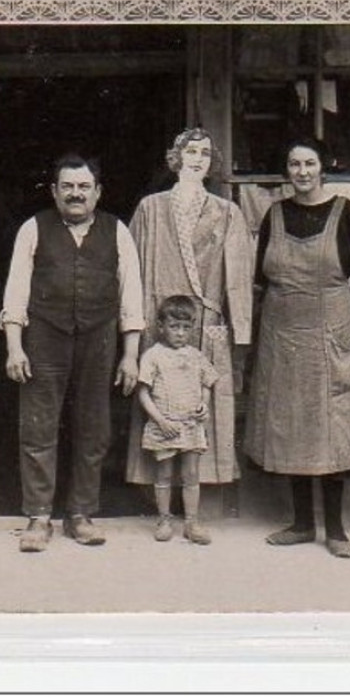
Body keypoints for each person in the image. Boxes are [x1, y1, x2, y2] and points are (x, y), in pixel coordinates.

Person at [242, 137, 350, 558]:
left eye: (309, 163)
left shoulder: (346, 212)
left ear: (324, 167)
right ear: (287, 170)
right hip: (282, 337)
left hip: (329, 336)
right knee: (291, 425)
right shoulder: (275, 214)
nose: (302, 171)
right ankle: (302, 524)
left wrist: (334, 316)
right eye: (294, 163)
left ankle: (335, 530)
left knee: (332, 428)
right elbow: (261, 279)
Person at [2, 155, 144, 552]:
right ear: (54, 191)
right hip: (44, 337)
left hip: (99, 340)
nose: (76, 194)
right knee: (38, 427)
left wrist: (130, 354)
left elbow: (131, 294)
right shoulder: (34, 229)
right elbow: (16, 291)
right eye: (68, 187)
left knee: (94, 427)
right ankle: (39, 516)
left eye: (84, 187)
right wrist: (14, 347)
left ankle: (81, 514)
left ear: (97, 192)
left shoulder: (118, 232)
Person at [125, 128, 253, 516]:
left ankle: (196, 507)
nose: (198, 159)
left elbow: (240, 275)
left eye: (205, 154)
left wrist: (239, 328)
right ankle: (161, 505)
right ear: (175, 157)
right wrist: (132, 321)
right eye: (190, 151)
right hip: (160, 323)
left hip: (204, 322)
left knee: (200, 407)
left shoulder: (226, 211)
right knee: (159, 399)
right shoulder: (150, 208)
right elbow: (129, 268)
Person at [134, 295, 219, 544]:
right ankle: (164, 519)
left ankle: (192, 522)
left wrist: (204, 404)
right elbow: (143, 392)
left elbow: (208, 382)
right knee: (164, 474)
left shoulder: (196, 355)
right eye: (174, 327)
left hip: (190, 425)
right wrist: (160, 420)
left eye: (186, 328)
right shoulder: (153, 355)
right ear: (161, 327)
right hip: (165, 426)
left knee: (191, 473)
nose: (180, 333)